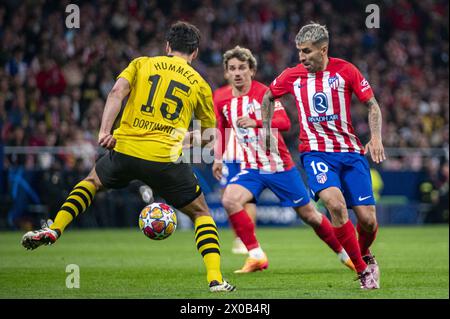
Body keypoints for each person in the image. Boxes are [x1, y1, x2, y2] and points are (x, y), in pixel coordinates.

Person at [21, 21, 235, 293]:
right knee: (201, 212)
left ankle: (55, 228)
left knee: (91, 182)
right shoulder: (200, 84)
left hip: (126, 148)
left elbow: (116, 92)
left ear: (168, 46)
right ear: (194, 53)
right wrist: (188, 138)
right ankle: (215, 279)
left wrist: (104, 131)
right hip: (165, 157)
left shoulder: (142, 63)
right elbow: (209, 133)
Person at [261, 23, 385, 289]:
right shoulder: (292, 75)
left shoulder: (346, 70)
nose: (302, 57)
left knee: (368, 219)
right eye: (299, 52)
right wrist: (267, 130)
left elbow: (372, 105)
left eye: (306, 51)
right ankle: (363, 271)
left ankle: (363, 255)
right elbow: (268, 96)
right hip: (316, 153)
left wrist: (375, 138)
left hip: (350, 153)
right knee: (336, 206)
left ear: (323, 49)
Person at [212, 46, 355, 274]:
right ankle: (256, 256)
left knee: (310, 215)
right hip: (252, 168)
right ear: (226, 73)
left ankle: (345, 254)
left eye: (242, 68)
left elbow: (284, 122)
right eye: (232, 69)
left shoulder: (264, 93)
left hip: (280, 167)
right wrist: (218, 158)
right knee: (230, 199)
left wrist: (257, 121)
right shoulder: (221, 98)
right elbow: (222, 126)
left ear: (252, 70)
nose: (237, 73)